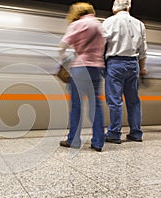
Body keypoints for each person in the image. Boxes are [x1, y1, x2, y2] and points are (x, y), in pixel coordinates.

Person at [59, 2, 106, 152]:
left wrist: (64, 58)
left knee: (76, 106)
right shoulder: (99, 25)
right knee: (96, 105)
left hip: (80, 68)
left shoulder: (77, 24)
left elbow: (62, 45)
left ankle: (74, 140)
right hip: (97, 68)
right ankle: (98, 142)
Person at [102, 0, 148, 144]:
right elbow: (143, 51)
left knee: (115, 100)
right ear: (129, 7)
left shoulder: (108, 22)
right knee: (133, 101)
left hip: (115, 63)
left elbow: (101, 45)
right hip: (133, 64)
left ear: (114, 8)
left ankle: (114, 133)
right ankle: (136, 133)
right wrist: (142, 68)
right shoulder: (139, 24)